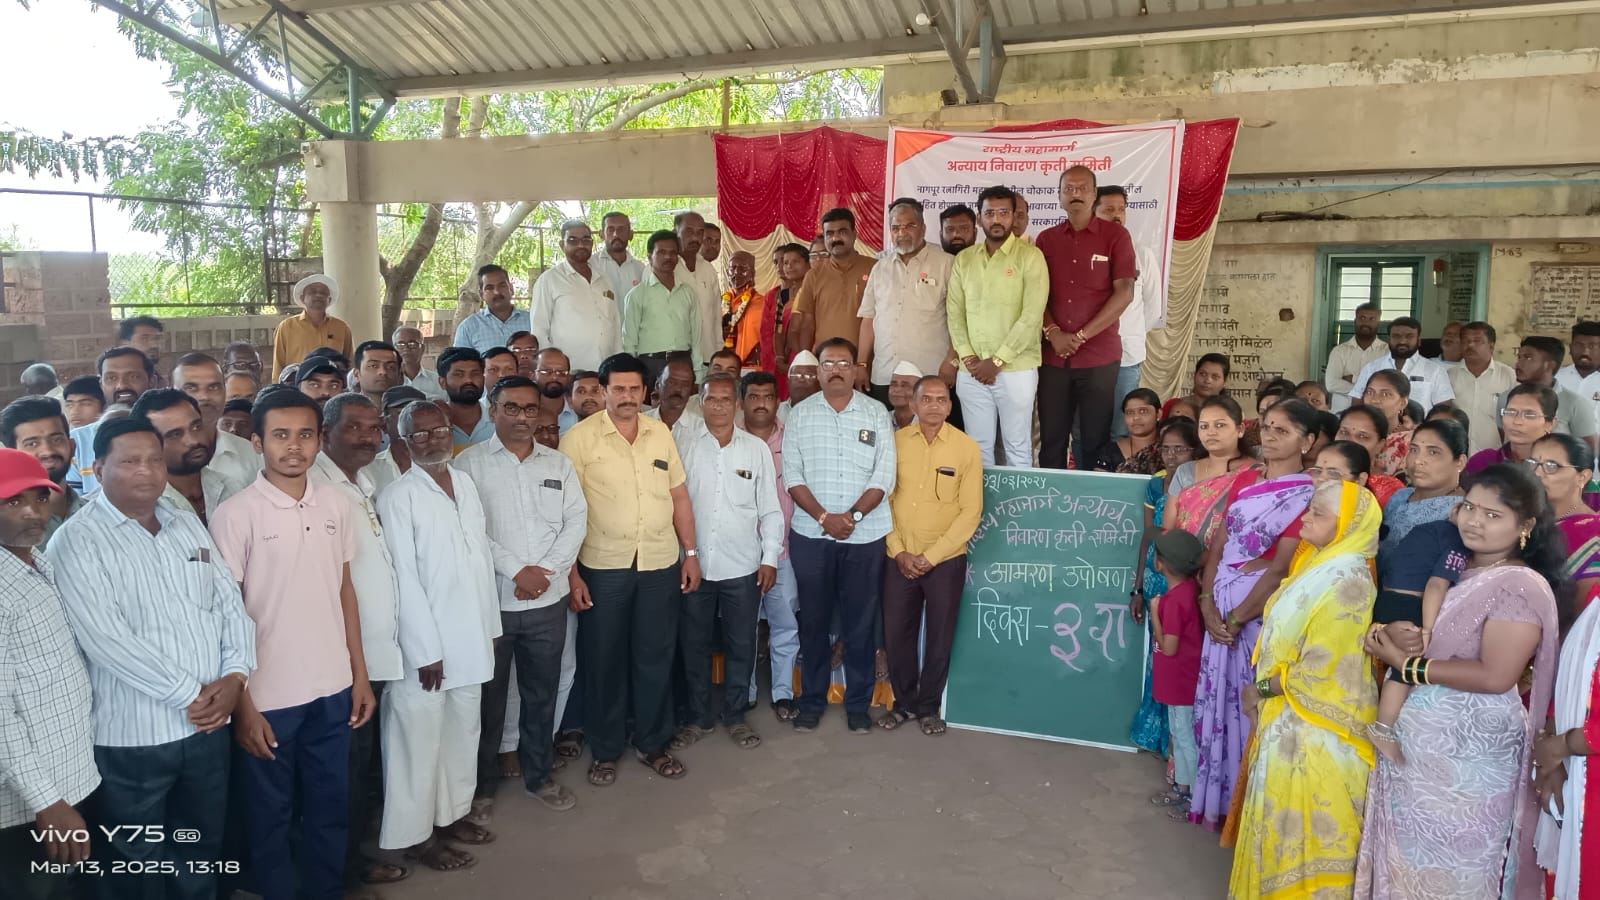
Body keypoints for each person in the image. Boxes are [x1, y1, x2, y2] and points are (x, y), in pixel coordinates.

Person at [48, 417, 254, 900]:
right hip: (133, 739)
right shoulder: (77, 541)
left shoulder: (183, 522)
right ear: (98, 468)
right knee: (133, 864)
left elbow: (229, 602)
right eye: (130, 461)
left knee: (199, 848)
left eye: (155, 460)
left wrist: (236, 675)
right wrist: (194, 696)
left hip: (207, 732)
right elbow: (106, 639)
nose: (146, 471)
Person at [1357, 464, 1564, 899]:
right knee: (1408, 866)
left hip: (1470, 759)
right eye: (1469, 507)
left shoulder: (1517, 584)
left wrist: (1407, 666)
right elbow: (1431, 636)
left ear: (1525, 525)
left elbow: (1496, 674)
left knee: (1457, 872)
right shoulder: (1458, 568)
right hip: (1419, 753)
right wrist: (1393, 636)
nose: (1474, 521)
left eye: (1493, 515)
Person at [208, 388, 372, 900]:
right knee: (270, 815)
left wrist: (359, 676)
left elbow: (344, 591)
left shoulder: (336, 504)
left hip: (333, 687)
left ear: (320, 440)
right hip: (268, 696)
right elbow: (226, 616)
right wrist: (244, 706)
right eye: (280, 435)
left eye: (305, 435)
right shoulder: (236, 515)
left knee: (329, 806)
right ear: (258, 443)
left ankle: (325, 890)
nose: (294, 446)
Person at [1227, 479, 1380, 896]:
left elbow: (1319, 668)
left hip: (1318, 732)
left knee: (1306, 838)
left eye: (1318, 513)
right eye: (1309, 508)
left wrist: (1259, 688)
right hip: (1289, 720)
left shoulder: (1348, 582)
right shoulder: (1318, 563)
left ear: (1346, 524)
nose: (1305, 518)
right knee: (1280, 831)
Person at [561, 353, 701, 786]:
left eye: (634, 389)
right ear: (603, 391)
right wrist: (571, 575)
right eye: (618, 389)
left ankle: (652, 742)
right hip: (603, 567)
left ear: (646, 392)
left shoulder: (660, 434)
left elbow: (679, 497)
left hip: (659, 563)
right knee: (604, 659)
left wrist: (691, 553)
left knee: (655, 656)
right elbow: (565, 512)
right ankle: (605, 749)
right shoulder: (579, 440)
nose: (627, 397)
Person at [373, 399, 501, 869]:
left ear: (451, 431)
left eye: (438, 430)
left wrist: (490, 628)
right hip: (425, 650)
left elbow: (480, 559)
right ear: (403, 441)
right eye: (419, 434)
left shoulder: (464, 483)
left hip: (471, 637)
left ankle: (451, 816)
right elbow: (403, 580)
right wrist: (425, 651)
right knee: (418, 742)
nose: (431, 440)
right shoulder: (397, 497)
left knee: (463, 732)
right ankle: (415, 837)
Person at [456, 375, 586, 820]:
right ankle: (482, 787)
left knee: (541, 695)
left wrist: (544, 573)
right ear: (492, 411)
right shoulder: (469, 465)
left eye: (530, 409)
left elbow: (575, 522)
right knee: (489, 701)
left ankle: (539, 776)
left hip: (548, 602)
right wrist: (517, 571)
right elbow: (471, 531)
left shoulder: (558, 464)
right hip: (493, 604)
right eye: (511, 408)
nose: (522, 417)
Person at [1188, 399, 1319, 831]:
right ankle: (1217, 803)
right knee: (1216, 705)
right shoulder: (1246, 478)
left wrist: (1237, 618)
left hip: (1259, 614)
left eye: (1283, 430)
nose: (1271, 436)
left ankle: (1249, 812)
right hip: (1221, 603)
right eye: (1267, 427)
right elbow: (1220, 542)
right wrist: (1206, 600)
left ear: (1308, 441)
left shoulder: (1309, 493)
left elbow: (1282, 567)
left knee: (1249, 705)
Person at [307, 392, 408, 892]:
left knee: (361, 764)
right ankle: (339, 873)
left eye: (374, 428)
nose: (368, 437)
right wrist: (354, 663)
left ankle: (352, 860)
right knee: (340, 771)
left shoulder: (362, 481)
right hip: (345, 658)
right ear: (326, 434)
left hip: (374, 649)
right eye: (355, 427)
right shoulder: (316, 489)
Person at [783, 338, 897, 734]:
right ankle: (812, 701)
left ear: (856, 370)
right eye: (828, 363)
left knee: (860, 623)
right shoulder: (800, 415)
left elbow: (884, 475)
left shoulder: (875, 412)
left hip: (864, 537)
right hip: (811, 535)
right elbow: (792, 476)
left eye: (844, 363)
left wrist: (853, 516)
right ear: (818, 372)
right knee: (813, 621)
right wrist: (823, 517)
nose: (836, 370)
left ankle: (858, 705)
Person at [0, 449, 98, 900]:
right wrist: (46, 801)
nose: (32, 513)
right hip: (26, 803)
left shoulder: (37, 561)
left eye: (40, 498)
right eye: (12, 502)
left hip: (66, 778)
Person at [671, 373, 783, 751]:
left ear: (737, 405)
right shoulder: (684, 445)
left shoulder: (756, 449)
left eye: (725, 400)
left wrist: (769, 558)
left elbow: (770, 509)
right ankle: (698, 717)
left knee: (741, 644)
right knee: (694, 644)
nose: (718, 406)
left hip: (743, 565)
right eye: (711, 399)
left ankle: (735, 716)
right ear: (700, 403)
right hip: (694, 566)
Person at [876, 376, 980, 736]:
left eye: (940, 399)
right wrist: (899, 551)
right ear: (913, 404)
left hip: (945, 560)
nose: (934, 405)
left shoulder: (966, 448)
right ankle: (904, 704)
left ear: (949, 407)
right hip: (899, 557)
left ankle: (928, 707)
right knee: (896, 634)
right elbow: (883, 500)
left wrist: (931, 557)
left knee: (939, 635)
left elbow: (971, 512)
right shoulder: (894, 443)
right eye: (926, 399)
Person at [947, 185, 1049, 467]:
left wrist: (997, 361)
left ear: (1014, 216)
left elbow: (1032, 315)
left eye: (1004, 213)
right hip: (971, 370)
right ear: (979, 218)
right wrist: (968, 357)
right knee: (977, 449)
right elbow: (954, 313)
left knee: (1017, 447)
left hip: (1015, 369)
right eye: (990, 213)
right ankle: (980, 499)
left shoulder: (1030, 257)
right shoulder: (965, 260)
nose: (996, 219)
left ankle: (1020, 499)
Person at [1127, 418, 1202, 755]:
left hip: (1184, 577)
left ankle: (1181, 743)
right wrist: (1138, 588)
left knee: (1180, 655)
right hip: (1157, 574)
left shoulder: (1200, 484)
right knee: (1156, 658)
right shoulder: (1155, 485)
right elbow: (1148, 536)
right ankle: (1157, 734)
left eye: (1179, 449)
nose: (1172, 456)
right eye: (1166, 449)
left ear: (1194, 450)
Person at [739, 371, 802, 721]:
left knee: (785, 626)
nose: (761, 403)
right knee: (743, 629)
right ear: (742, 402)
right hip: (741, 556)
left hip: (783, 552)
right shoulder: (730, 440)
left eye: (767, 397)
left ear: (778, 402)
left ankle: (783, 693)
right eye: (753, 397)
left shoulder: (793, 439)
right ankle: (745, 693)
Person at [858, 198, 955, 402]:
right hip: (885, 375)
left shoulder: (946, 264)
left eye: (910, 226)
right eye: (896, 228)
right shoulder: (880, 268)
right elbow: (868, 319)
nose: (902, 233)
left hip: (930, 374)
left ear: (923, 228)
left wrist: (951, 361)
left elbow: (959, 319)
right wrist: (861, 364)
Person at [1092, 186, 1166, 435]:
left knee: (1121, 427)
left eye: (1121, 210)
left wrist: (1130, 332)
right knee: (1085, 428)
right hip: (1089, 355)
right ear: (1093, 212)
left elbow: (1153, 307)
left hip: (1127, 356)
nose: (1117, 215)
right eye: (1109, 210)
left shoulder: (1141, 253)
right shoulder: (1084, 253)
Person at [1145, 529, 1205, 813]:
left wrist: (1154, 613)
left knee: (1183, 737)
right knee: (1181, 735)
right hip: (1184, 680)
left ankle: (1191, 797)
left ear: (1162, 564)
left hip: (1180, 682)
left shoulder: (1172, 602)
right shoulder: (1190, 590)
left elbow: (1168, 648)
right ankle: (1183, 788)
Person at [129, 390, 243, 524]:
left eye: (196, 427)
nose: (193, 441)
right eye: (175, 434)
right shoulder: (141, 507)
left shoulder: (232, 488)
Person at [529, 221, 621, 372]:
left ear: (592, 243)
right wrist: (552, 369)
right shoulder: (549, 280)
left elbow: (615, 324)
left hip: (606, 369)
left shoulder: (604, 279)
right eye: (573, 240)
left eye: (586, 240)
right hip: (569, 371)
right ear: (562, 244)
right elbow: (539, 329)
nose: (581, 245)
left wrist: (618, 364)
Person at [0, 397, 87, 549]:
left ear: (72, 447)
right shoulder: (6, 527)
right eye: (32, 444)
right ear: (11, 455)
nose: (47, 451)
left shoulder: (99, 514)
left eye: (56, 440)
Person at [67, 346, 155, 493]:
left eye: (133, 376)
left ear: (152, 381)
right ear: (101, 384)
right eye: (111, 378)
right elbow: (75, 503)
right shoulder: (78, 441)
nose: (121, 385)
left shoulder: (169, 432)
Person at [790, 208, 875, 359]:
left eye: (842, 232)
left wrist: (863, 363)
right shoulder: (814, 275)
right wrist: (806, 360)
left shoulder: (874, 268)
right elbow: (807, 324)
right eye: (829, 234)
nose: (835, 238)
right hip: (826, 362)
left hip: (865, 362)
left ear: (854, 234)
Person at [622, 231, 704, 384]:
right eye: (661, 252)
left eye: (673, 253)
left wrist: (698, 375)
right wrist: (631, 377)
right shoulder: (637, 295)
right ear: (649, 257)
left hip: (683, 362)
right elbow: (629, 342)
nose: (668, 257)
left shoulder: (688, 293)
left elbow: (697, 339)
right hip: (650, 365)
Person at [1530, 433, 1600, 602]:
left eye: (1551, 466)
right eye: (1532, 463)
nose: (1537, 473)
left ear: (1582, 477)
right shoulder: (1520, 518)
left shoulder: (1593, 534)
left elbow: (1585, 610)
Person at [1507, 335, 1600, 449]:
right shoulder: (1506, 397)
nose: (1518, 364)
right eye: (1519, 357)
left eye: (1528, 358)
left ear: (1549, 365)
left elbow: (1588, 450)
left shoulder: (1575, 403)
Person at [1350, 315, 1455, 411]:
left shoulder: (1435, 371)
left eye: (1409, 336)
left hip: (1420, 426)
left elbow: (1444, 409)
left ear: (1419, 341)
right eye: (1396, 336)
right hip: (1378, 425)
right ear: (1389, 340)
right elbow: (1357, 402)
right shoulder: (1372, 368)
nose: (1402, 341)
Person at [1445, 321, 1517, 454]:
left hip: (1496, 455)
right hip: (1458, 454)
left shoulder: (1508, 376)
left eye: (1477, 341)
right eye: (1465, 341)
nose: (1470, 345)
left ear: (1491, 346)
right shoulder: (1449, 376)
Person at [272, 274, 353, 380]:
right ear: (302, 298)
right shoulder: (286, 327)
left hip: (333, 385)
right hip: (297, 385)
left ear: (329, 300)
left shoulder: (342, 328)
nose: (318, 295)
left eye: (323, 293)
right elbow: (278, 364)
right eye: (312, 292)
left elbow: (350, 363)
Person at [1468, 382, 1558, 474]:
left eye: (1529, 415)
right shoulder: (1483, 462)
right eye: (1510, 413)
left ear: (1550, 424)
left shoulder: (1559, 468)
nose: (1517, 421)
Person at [671, 212, 722, 366]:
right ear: (675, 232)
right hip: (676, 359)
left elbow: (716, 317)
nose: (695, 238)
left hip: (707, 356)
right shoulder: (665, 268)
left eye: (700, 233)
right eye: (689, 231)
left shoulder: (708, 270)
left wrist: (718, 354)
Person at [1322, 303, 1388, 413]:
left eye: (1371, 319)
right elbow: (1331, 384)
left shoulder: (1387, 351)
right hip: (1341, 413)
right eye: (1362, 318)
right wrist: (1370, 390)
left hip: (1375, 413)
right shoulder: (1339, 351)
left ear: (1378, 323)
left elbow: (1387, 384)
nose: (1366, 323)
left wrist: (1352, 379)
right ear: (1355, 321)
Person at [453, 263, 532, 353]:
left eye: (502, 286)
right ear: (481, 294)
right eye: (489, 288)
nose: (497, 292)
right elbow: (460, 361)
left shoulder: (531, 321)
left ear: (511, 289)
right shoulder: (468, 327)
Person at [1336, 403, 1405, 506]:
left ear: (1380, 445)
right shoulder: (1318, 474)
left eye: (1362, 436)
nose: (1350, 442)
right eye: (1344, 432)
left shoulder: (1391, 490)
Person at [719, 251, 772, 376]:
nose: (736, 273)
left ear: (752, 273)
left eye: (743, 269)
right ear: (727, 272)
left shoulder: (762, 304)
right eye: (733, 268)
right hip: (723, 365)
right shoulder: (720, 302)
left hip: (752, 366)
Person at [432, 346, 493, 455]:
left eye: (475, 374)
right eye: (459, 375)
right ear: (442, 382)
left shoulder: (499, 421)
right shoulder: (432, 427)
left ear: (483, 378)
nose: (468, 380)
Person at [1094, 388, 1162, 473]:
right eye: (1130, 412)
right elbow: (1100, 481)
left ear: (1158, 414)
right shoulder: (1109, 451)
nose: (1136, 417)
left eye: (1143, 411)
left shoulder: (1168, 449)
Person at [1360, 369, 1413, 477]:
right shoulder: (1352, 431)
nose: (1375, 400)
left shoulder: (1410, 442)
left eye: (1385, 394)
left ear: (1402, 403)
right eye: (1370, 392)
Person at [592, 211, 646, 311]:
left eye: (621, 229)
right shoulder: (591, 266)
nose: (616, 234)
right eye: (610, 229)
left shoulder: (640, 269)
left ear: (630, 234)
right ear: (601, 234)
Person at [1556, 320, 1600, 433]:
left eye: (1592, 346)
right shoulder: (1555, 378)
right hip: (1560, 443)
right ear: (1570, 348)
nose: (1585, 351)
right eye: (1579, 345)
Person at [1166, 353, 1230, 419]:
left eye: (1215, 377)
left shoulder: (1230, 412)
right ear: (1194, 375)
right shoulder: (1173, 405)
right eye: (1203, 374)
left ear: (1224, 382)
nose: (1207, 381)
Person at [646, 354, 701, 430]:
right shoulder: (639, 423)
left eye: (685, 384)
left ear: (691, 390)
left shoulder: (702, 429)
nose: (678, 389)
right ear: (658, 385)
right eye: (672, 382)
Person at [393, 326, 447, 400]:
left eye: (412, 344)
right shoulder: (389, 380)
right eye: (400, 345)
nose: (406, 348)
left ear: (422, 348)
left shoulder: (438, 381)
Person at [353, 340, 402, 407]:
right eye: (373, 366)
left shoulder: (411, 410)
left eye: (390, 367)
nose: (383, 372)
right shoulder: (344, 409)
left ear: (399, 375)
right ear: (357, 374)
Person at [777, 350, 819, 424]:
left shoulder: (827, 413)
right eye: (796, 375)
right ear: (788, 381)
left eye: (809, 376)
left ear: (820, 383)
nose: (801, 379)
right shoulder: (776, 411)